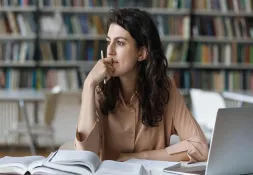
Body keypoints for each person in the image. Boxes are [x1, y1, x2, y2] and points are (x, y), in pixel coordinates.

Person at [75, 8, 208, 163]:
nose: (110, 51)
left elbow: (200, 147)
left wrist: (138, 157)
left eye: (119, 43)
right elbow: (84, 157)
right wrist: (89, 84)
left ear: (142, 53)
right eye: (108, 42)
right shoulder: (98, 89)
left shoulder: (165, 89)